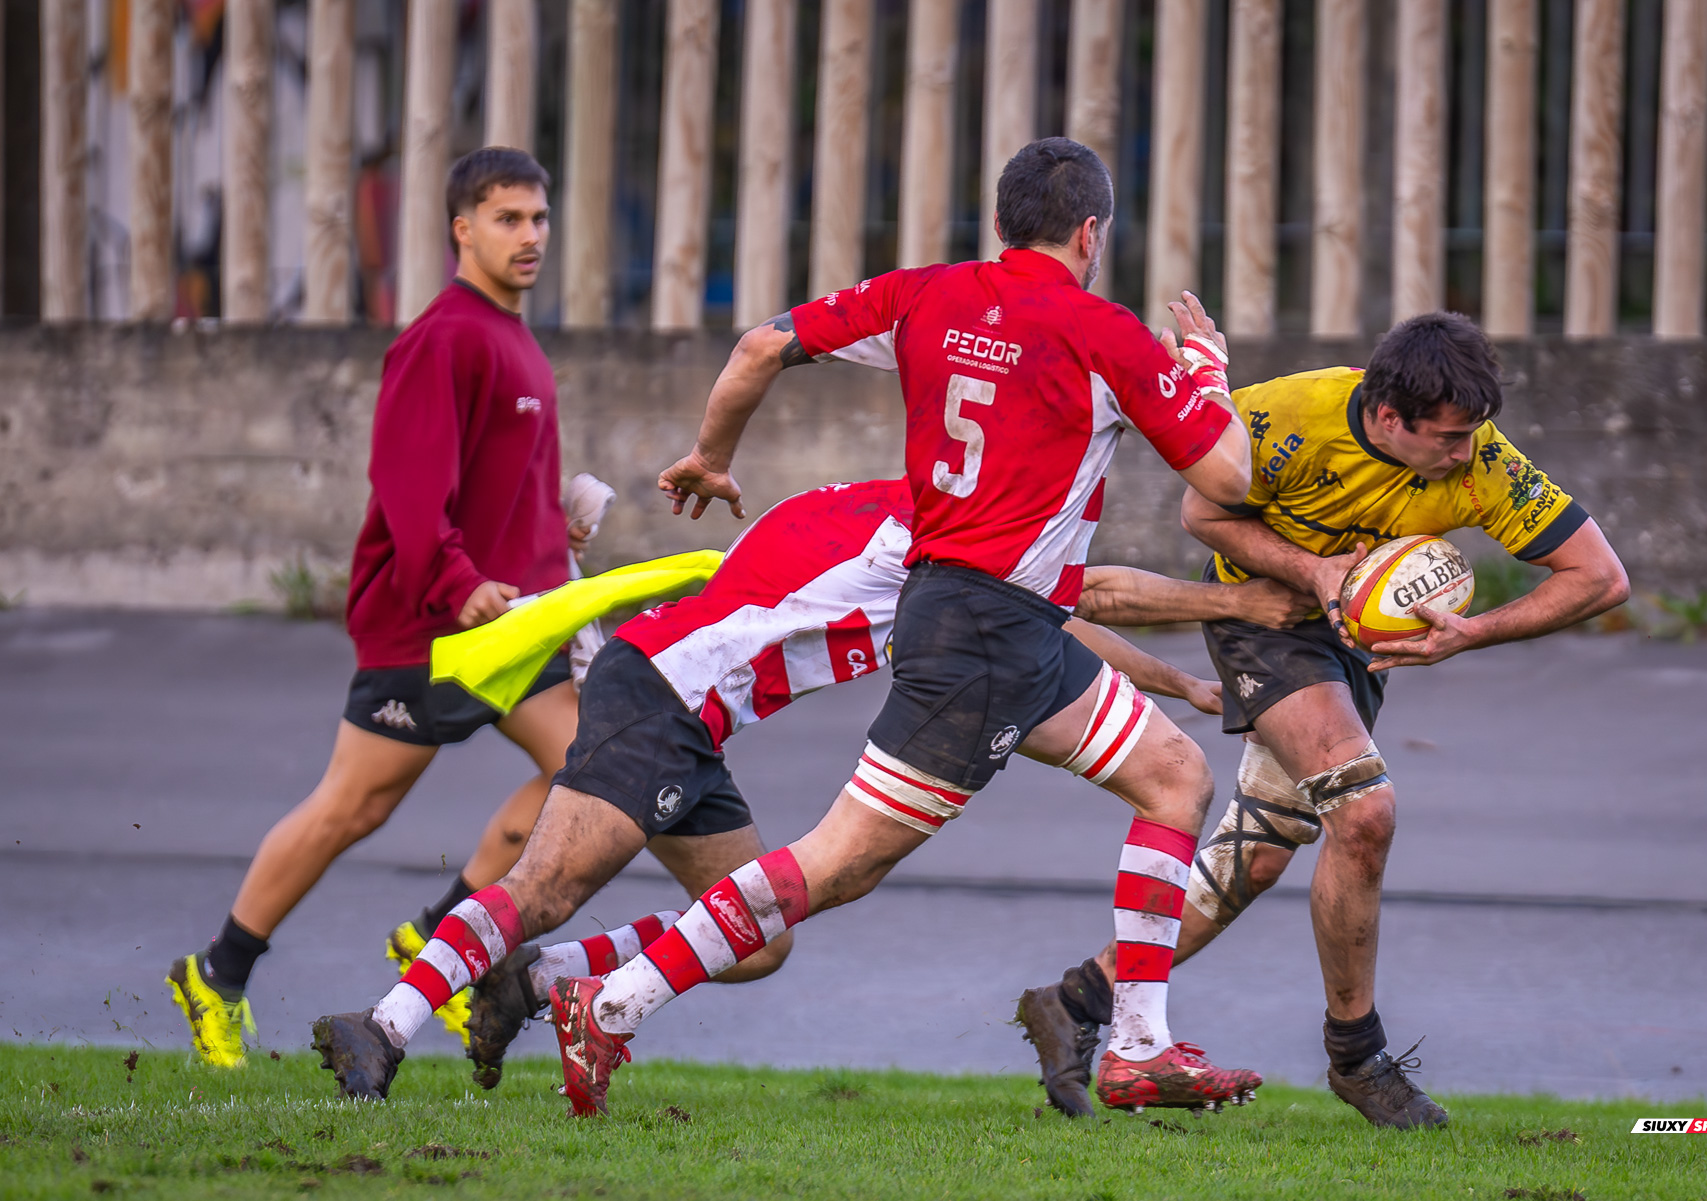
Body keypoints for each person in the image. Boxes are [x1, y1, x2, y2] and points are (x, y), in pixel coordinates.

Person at [517, 135, 1269, 1119]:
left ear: (1001, 224)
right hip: (985, 637)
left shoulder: (929, 294)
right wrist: (1206, 369)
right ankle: (612, 1004)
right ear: (1092, 232)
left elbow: (760, 346)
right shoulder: (1106, 331)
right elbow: (1230, 477)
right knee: (835, 863)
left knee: (1175, 779)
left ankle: (1137, 1043)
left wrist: (710, 454)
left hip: (998, 628)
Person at [308, 476, 1313, 1098]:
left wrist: (1174, 679)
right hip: (661, 696)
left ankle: (534, 977)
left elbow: (1044, 622)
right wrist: (1232, 602)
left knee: (758, 939)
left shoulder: (883, 505)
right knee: (544, 882)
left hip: (686, 711)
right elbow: (1074, 594)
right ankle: (385, 1025)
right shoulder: (943, 534)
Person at [1016, 311, 1632, 1126]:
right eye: (1447, 437)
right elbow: (1202, 517)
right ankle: (1358, 1056)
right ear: (1388, 417)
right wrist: (1314, 572)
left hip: (1352, 652)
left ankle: (1076, 1001)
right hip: (1264, 617)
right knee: (1365, 811)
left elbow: (1599, 576)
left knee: (1259, 857)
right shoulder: (1283, 417)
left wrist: (1472, 633)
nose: (1463, 453)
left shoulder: (1483, 461)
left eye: (1473, 434)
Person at [167, 148, 584, 1067]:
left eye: (539, 219)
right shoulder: (443, 337)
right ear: (460, 229)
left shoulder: (514, 336)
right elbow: (405, 490)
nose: (529, 236)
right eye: (507, 218)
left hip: (513, 625)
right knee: (351, 806)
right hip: (429, 621)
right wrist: (459, 583)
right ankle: (217, 973)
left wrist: (559, 565)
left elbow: (506, 491)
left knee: (591, 769)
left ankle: (438, 936)